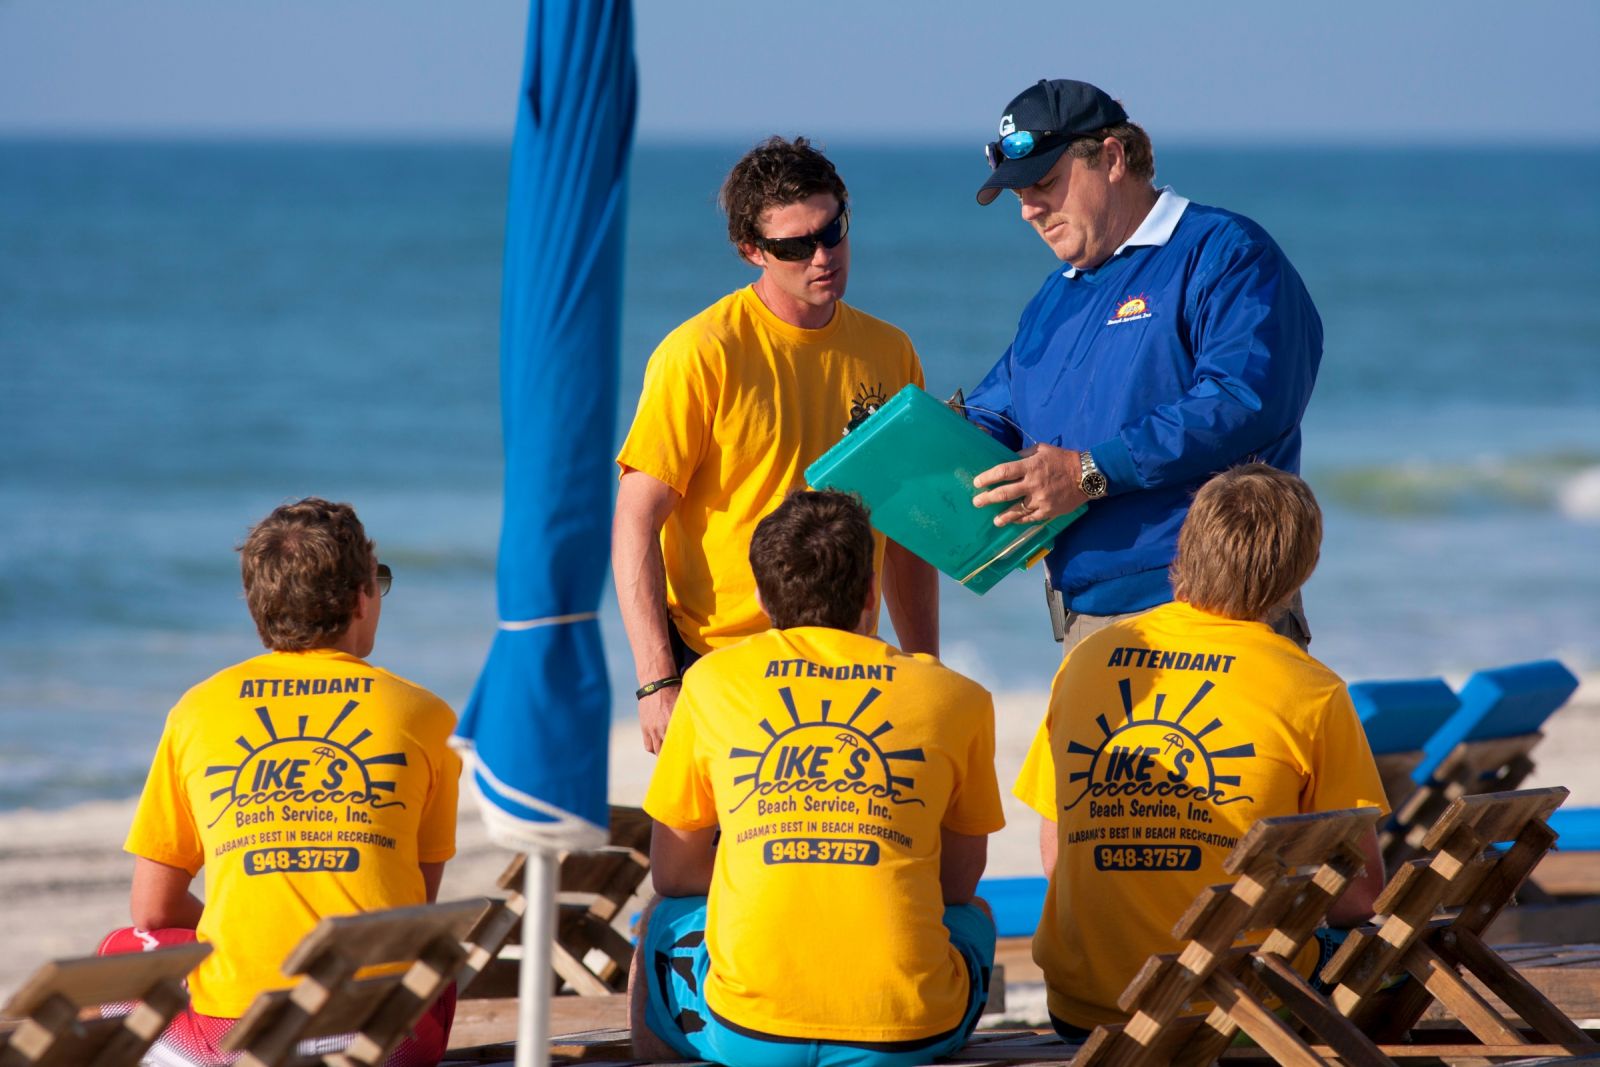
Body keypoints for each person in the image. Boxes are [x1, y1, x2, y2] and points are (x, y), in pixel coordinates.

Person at [631, 490, 1003, 1067]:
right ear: (872, 593)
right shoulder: (959, 698)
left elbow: (674, 874)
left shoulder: (709, 683)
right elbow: (955, 885)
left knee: (659, 917)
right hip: (905, 1037)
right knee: (973, 917)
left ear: (759, 594)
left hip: (748, 1033)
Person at [1013, 464, 1386, 1038]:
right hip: (1234, 1011)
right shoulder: (1312, 689)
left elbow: (1057, 851)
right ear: (1301, 573)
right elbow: (1358, 896)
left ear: (1182, 551)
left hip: (1086, 1006)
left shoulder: (1086, 660)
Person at [962, 78, 1323, 652]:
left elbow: (1243, 401)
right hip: (1088, 621)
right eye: (1019, 195)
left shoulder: (1226, 252)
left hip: (1215, 608)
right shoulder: (1053, 300)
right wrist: (901, 447)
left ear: (1111, 158)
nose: (1030, 209)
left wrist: (1087, 472)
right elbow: (991, 415)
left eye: (1046, 184)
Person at [106, 498, 462, 1067]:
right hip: (388, 1041)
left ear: (256, 605)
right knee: (431, 962)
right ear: (359, 597)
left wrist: (235, 936)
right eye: (379, 583)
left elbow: (152, 910)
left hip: (235, 1043)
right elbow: (414, 906)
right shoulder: (427, 716)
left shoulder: (196, 712)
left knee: (122, 950)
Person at [614, 136, 939, 754]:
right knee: (712, 854)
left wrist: (925, 665)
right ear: (751, 252)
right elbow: (634, 521)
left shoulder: (891, 351)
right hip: (720, 661)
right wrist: (657, 681)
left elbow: (907, 531)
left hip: (852, 663)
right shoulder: (699, 353)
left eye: (833, 230)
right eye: (795, 246)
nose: (823, 256)